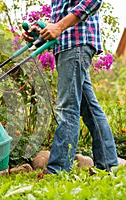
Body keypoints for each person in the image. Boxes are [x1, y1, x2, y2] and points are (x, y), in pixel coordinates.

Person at [24, 0, 119, 175]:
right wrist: (42, 33)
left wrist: (58, 27)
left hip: (76, 44)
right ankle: (108, 165)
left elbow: (92, 1)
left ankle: (58, 170)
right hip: (68, 46)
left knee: (66, 108)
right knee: (89, 109)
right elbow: (64, 15)